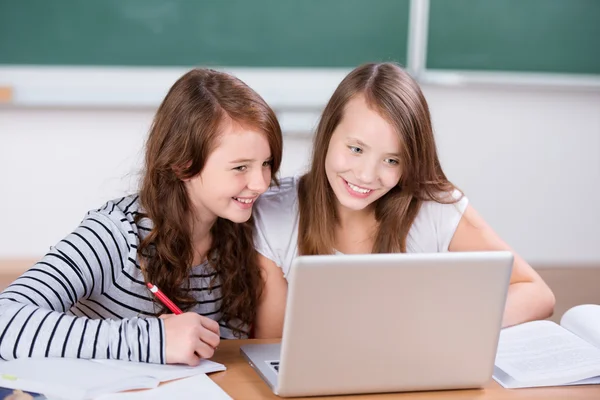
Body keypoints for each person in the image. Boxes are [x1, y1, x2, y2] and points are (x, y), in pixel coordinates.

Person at [0, 68, 283, 365]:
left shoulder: (242, 229)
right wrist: (154, 340)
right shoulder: (114, 234)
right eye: (240, 167)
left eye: (266, 163)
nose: (261, 183)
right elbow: (5, 323)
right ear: (183, 164)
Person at [252, 62, 555, 338]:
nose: (367, 176)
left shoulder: (435, 207)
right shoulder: (276, 213)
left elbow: (536, 293)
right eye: (356, 149)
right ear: (327, 134)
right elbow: (270, 346)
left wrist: (454, 327)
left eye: (392, 161)